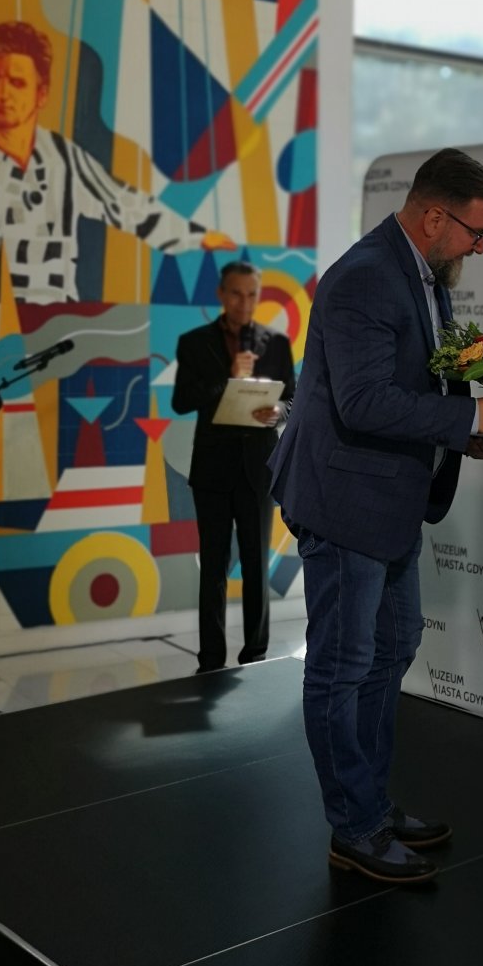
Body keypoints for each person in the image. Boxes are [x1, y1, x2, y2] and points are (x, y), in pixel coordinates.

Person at [268, 147, 483, 885]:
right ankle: (353, 827)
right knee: (342, 666)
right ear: (433, 217)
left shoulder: (419, 274)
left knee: (392, 647)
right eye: (475, 232)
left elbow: (408, 388)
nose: (480, 247)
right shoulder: (365, 277)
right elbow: (363, 402)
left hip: (387, 501)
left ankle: (371, 805)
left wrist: (464, 431)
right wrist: (473, 414)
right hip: (344, 502)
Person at [0, 20, 231, 303]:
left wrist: (197, 237)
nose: (1, 93)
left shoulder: (61, 156)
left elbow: (123, 204)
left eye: (17, 83)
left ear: (41, 94)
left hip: (51, 314)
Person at [173, 261, 295, 672]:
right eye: (237, 293)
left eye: (252, 294)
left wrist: (278, 412)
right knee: (213, 567)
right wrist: (226, 378)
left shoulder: (276, 343)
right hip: (212, 469)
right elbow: (181, 401)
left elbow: (294, 400)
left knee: (257, 565)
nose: (245, 302)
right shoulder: (194, 343)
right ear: (222, 295)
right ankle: (210, 660)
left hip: (258, 468)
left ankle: (255, 656)